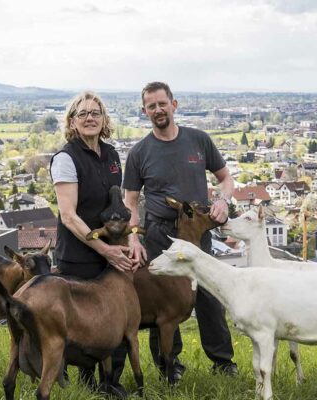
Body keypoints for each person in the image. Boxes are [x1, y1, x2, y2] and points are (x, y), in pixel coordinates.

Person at [122, 81, 238, 382]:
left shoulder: (198, 140)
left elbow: (226, 179)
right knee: (162, 301)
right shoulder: (139, 153)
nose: (158, 110)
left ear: (174, 105)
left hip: (197, 233)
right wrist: (133, 236)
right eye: (151, 106)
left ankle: (223, 363)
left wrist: (223, 201)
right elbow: (131, 202)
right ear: (144, 111)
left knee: (210, 296)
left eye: (162, 103)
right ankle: (169, 367)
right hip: (160, 235)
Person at [49, 91, 134, 396]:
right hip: (79, 256)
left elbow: (118, 206)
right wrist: (105, 250)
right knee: (86, 328)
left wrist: (131, 238)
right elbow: (69, 217)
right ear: (72, 121)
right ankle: (85, 387)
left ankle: (111, 383)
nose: (90, 118)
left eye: (95, 113)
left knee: (119, 322)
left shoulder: (111, 155)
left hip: (110, 252)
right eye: (82, 113)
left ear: (104, 119)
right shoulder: (65, 159)